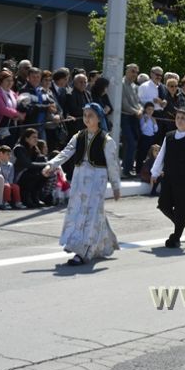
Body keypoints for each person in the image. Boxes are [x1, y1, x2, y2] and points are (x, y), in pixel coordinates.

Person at [42, 103, 121, 265]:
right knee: (78, 212)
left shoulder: (107, 140)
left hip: (97, 180)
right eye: (85, 115)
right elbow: (66, 152)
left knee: (91, 214)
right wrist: (52, 165)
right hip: (79, 179)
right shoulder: (78, 136)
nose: (87, 118)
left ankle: (84, 251)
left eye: (91, 115)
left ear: (99, 118)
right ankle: (104, 243)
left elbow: (113, 165)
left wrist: (115, 186)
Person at [151, 109, 185, 248]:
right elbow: (161, 155)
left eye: (183, 118)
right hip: (168, 177)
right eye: (178, 117)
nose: (179, 120)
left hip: (184, 179)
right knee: (163, 205)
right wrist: (154, 172)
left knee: (181, 209)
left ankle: (176, 237)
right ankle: (180, 223)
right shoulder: (169, 136)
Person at [13, 128, 48, 207]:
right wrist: (46, 164)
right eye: (33, 137)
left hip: (27, 174)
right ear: (26, 138)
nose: (36, 139)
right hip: (17, 176)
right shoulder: (19, 148)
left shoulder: (34, 149)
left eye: (37, 137)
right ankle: (26, 197)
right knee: (33, 173)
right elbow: (27, 164)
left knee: (45, 172)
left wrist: (47, 167)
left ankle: (35, 196)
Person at [120, 63, 142, 177]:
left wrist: (141, 110)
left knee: (133, 143)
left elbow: (138, 102)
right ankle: (126, 170)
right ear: (126, 71)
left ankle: (127, 168)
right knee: (130, 143)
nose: (135, 74)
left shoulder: (135, 86)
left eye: (136, 72)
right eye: (132, 71)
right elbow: (124, 104)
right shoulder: (121, 84)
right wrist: (136, 111)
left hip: (134, 117)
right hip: (125, 116)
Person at [136, 102, 158, 176]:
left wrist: (154, 123)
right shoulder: (143, 117)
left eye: (152, 110)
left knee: (150, 155)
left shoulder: (153, 118)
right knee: (141, 155)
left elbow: (155, 130)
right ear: (145, 110)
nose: (150, 111)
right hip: (144, 137)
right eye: (149, 109)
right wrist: (145, 121)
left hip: (151, 138)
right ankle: (138, 171)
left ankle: (148, 171)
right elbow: (142, 128)